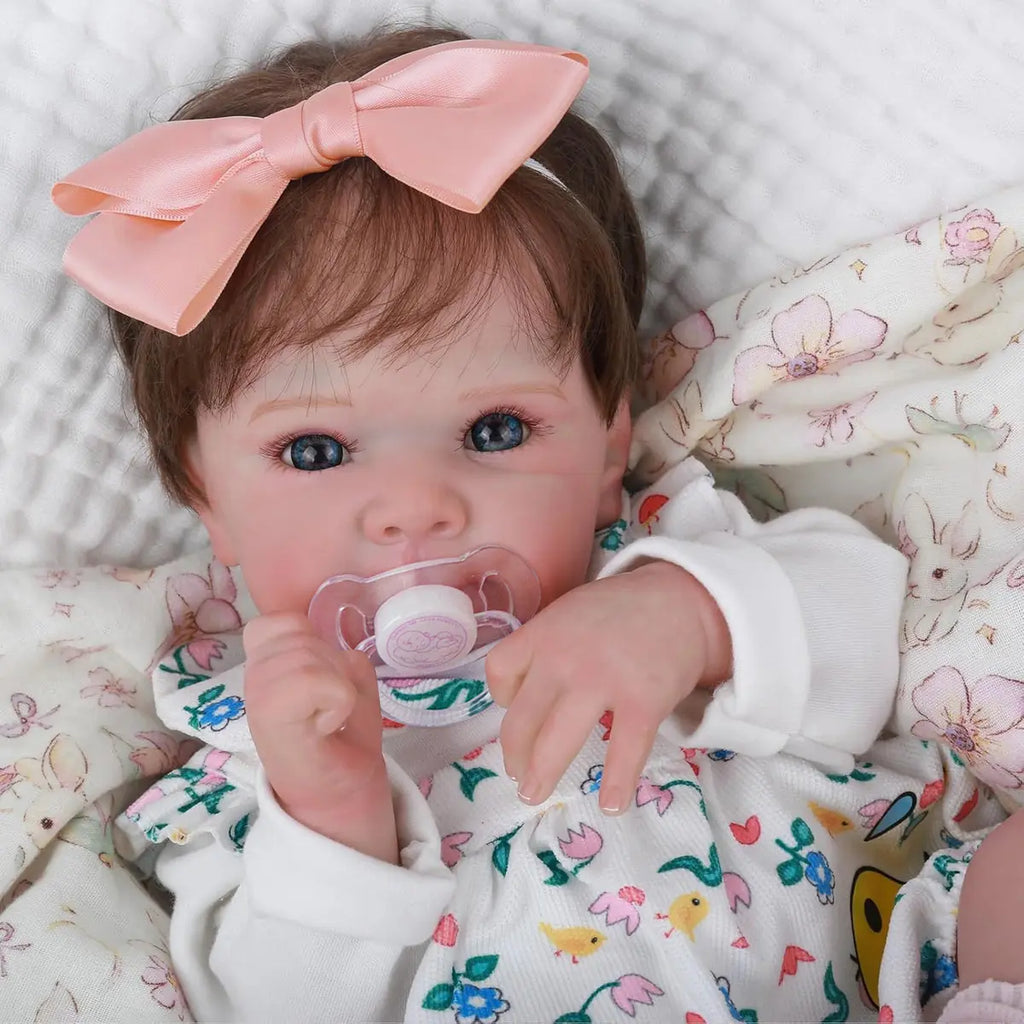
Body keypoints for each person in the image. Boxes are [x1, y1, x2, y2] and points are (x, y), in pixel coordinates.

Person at [53, 23, 914, 1022]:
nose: (417, 505)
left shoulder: (676, 559)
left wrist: (691, 619)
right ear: (208, 499)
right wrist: (333, 818)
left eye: (495, 430)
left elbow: (866, 629)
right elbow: (272, 1006)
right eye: (316, 451)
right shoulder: (254, 759)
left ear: (607, 447)